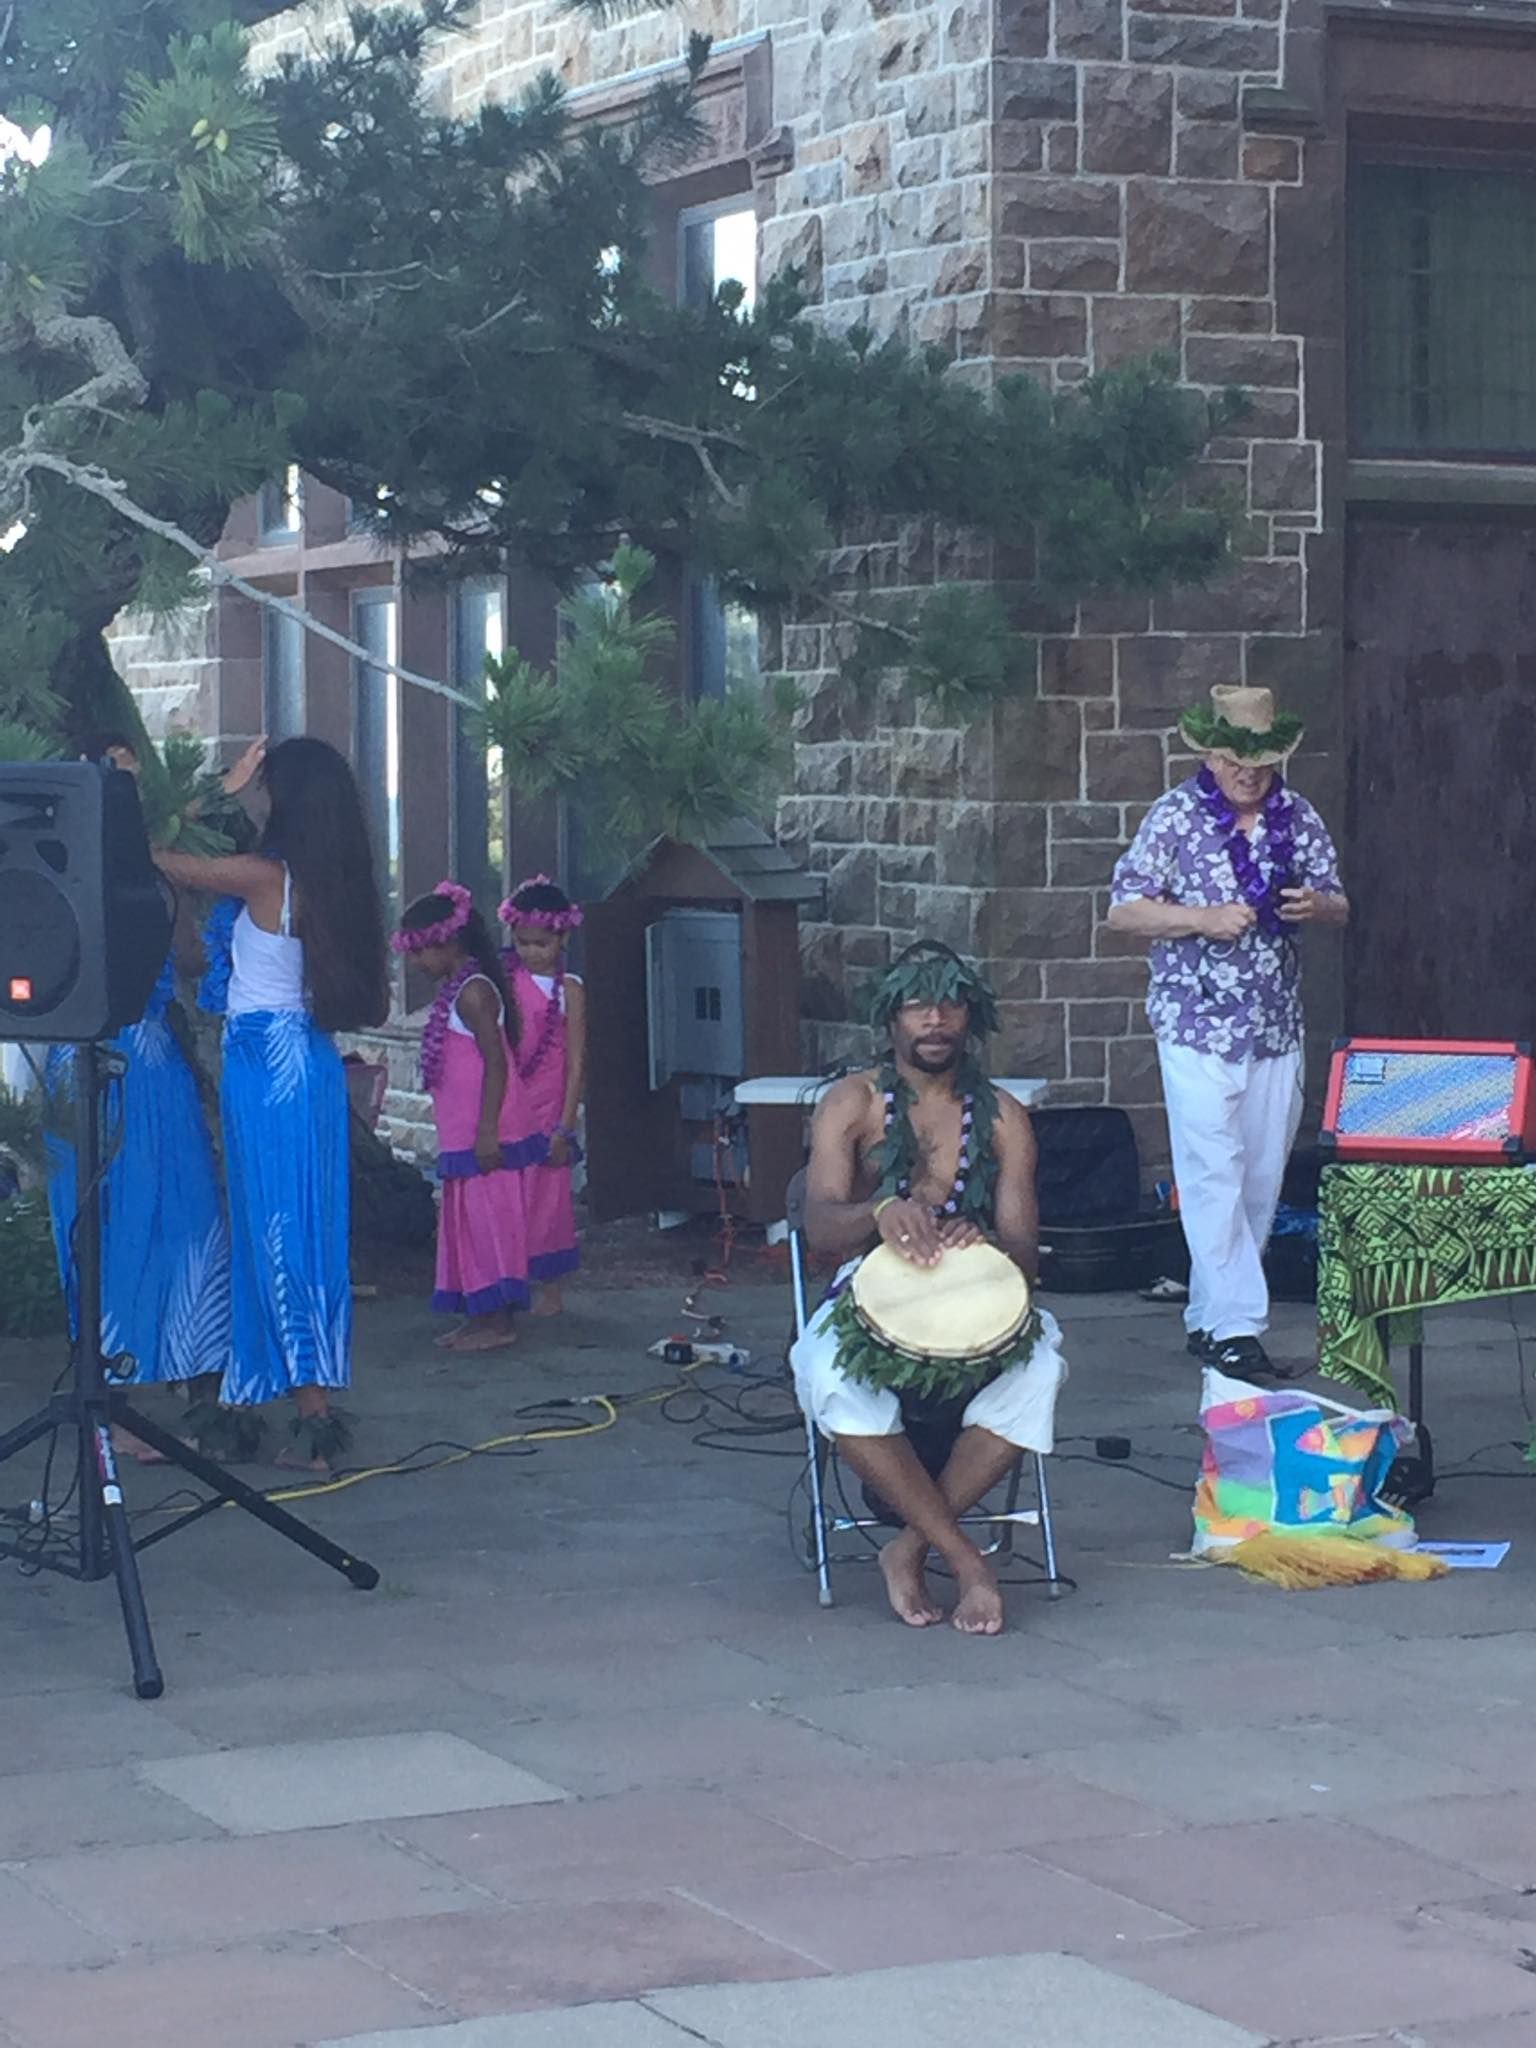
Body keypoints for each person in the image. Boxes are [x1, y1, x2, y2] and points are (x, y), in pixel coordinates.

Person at [790, 941, 1068, 1636]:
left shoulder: (1003, 1116)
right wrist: (880, 1211)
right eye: (918, 1004)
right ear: (891, 1018)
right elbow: (819, 1222)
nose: (935, 1019)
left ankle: (910, 1546)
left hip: (982, 1301)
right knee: (829, 1376)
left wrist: (993, 1245)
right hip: (869, 1292)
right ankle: (968, 1560)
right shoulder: (852, 1103)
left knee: (1042, 1369)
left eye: (950, 1004)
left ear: (973, 1017)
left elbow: (1026, 1256)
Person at [154, 736, 388, 1471]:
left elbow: (156, 854)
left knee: (282, 1230)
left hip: (270, 1063)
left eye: (265, 789)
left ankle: (313, 1419)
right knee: (272, 1224)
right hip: (300, 1061)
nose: (256, 799)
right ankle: (246, 1397)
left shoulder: (264, 877)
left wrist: (215, 789)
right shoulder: (330, 878)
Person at [1106, 685, 1349, 1382]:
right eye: (1236, 761)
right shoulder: (1176, 818)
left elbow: (1340, 901)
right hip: (1195, 1022)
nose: (1249, 774)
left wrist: (1318, 905)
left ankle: (1209, 1320)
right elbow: (1125, 911)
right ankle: (1239, 1328)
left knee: (1260, 1178)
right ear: (1211, 756)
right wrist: (1202, 918)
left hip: (1274, 1026)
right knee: (1212, 1171)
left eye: (1263, 763)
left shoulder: (1296, 816)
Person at [44, 735, 231, 1462]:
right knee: (105, 1226)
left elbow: (190, 957)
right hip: (101, 1059)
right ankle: (113, 1408)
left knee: (184, 1217)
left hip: (140, 1063)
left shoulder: (136, 874)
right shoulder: (85, 873)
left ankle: (195, 1395)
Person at [396, 883, 540, 1352]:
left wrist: (487, 1131)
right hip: (463, 1133)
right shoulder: (455, 991)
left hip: (486, 1132)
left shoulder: (476, 993)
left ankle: (499, 1323)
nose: (416, 962)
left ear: (449, 942)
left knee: (489, 1226)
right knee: (468, 1228)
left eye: (420, 951)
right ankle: (479, 1317)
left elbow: (497, 1063)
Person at [498, 876, 586, 1314]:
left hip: (550, 1108)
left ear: (563, 936)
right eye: (522, 942)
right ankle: (509, 1280)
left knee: (549, 1199)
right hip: (510, 1106)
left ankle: (550, 1289)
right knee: (509, 1195)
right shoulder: (504, 984)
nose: (531, 952)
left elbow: (576, 1062)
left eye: (541, 943)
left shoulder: (570, 990)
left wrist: (566, 1125)